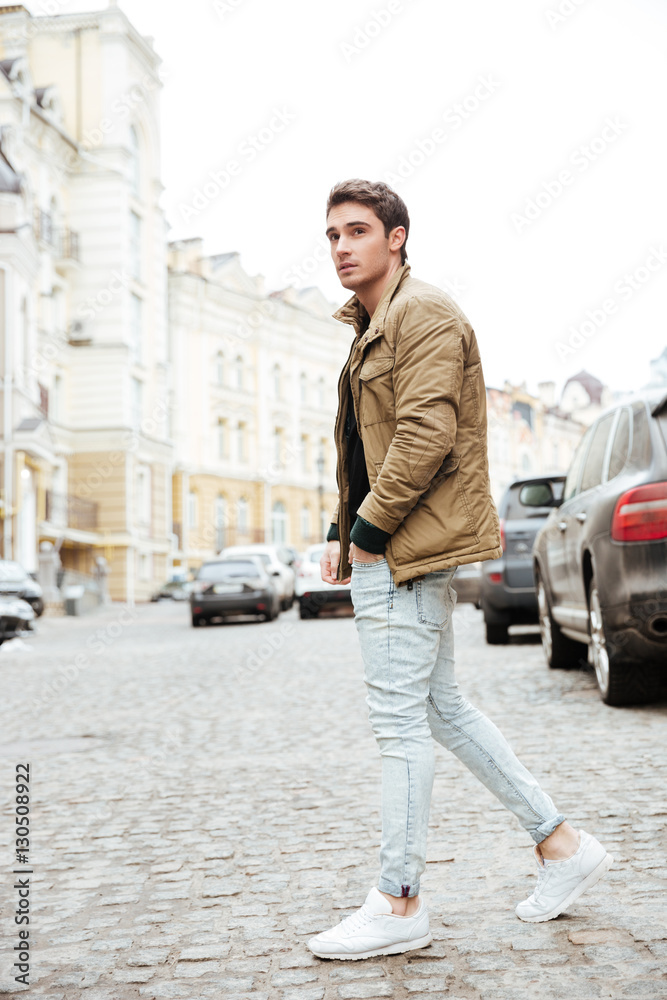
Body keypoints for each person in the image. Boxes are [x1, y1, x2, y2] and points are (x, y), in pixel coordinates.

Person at [307, 179, 612, 962]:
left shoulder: (423, 314)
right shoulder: (376, 322)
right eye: (331, 235)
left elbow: (422, 438)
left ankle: (399, 900)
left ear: (396, 237)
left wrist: (369, 536)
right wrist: (343, 532)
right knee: (440, 710)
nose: (340, 247)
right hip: (390, 546)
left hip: (407, 551)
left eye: (356, 231)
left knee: (400, 725)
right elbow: (367, 448)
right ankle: (561, 844)